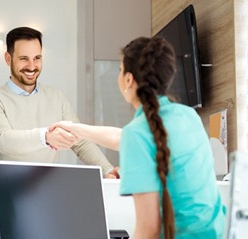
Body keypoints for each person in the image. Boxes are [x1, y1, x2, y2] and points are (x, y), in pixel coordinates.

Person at [51, 36, 226, 238]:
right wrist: (74, 128)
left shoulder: (138, 133)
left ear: (128, 79)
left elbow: (148, 229)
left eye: (120, 69)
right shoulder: (188, 116)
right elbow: (123, 138)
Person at [0, 26, 119, 178]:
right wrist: (45, 136)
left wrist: (107, 170)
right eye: (24, 58)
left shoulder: (57, 97)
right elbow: (4, 141)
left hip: (47, 186)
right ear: (8, 58)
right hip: (5, 186)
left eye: (37, 58)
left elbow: (80, 142)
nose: (32, 66)